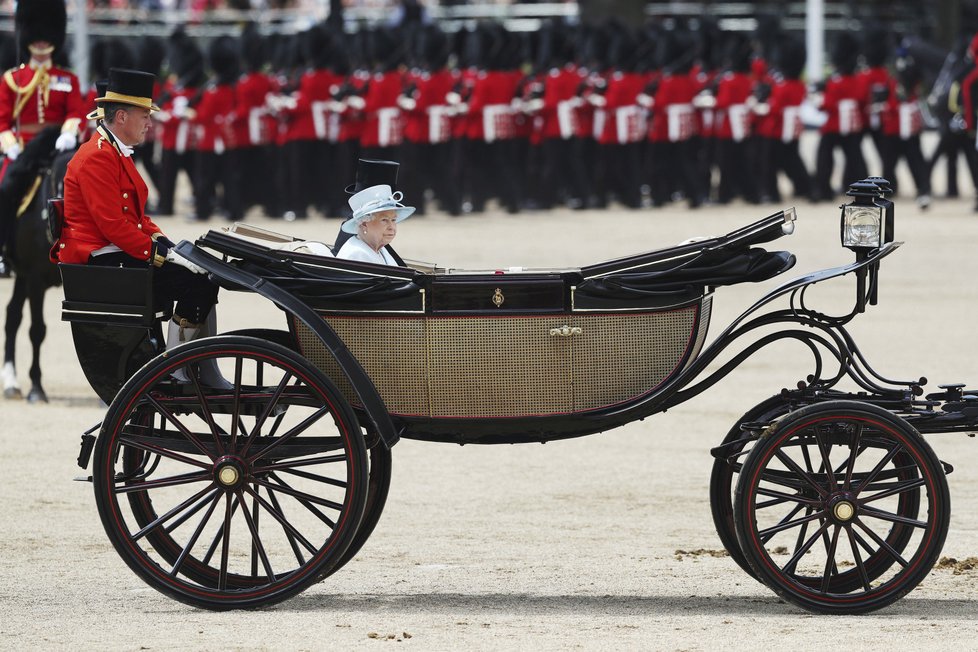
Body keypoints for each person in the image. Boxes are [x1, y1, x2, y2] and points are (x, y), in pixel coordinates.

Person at [56, 68, 227, 386]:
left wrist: (169, 245)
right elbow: (114, 227)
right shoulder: (96, 157)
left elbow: (137, 218)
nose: (150, 122)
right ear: (121, 116)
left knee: (204, 274)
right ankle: (177, 368)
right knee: (197, 283)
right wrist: (161, 256)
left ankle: (199, 365)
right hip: (101, 262)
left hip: (116, 254)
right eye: (144, 115)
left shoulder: (114, 152)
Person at [0, 0, 86, 278]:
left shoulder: (67, 79)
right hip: (23, 148)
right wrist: (10, 146)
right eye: (34, 36)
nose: (40, 42)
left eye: (45, 36)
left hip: (57, 147)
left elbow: (76, 112)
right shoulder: (13, 79)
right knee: (4, 189)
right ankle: (2, 250)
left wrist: (68, 133)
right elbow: (2, 120)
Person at [335, 184, 414, 266]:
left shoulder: (380, 249)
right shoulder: (357, 255)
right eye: (384, 220)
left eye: (393, 220)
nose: (392, 227)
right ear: (364, 224)